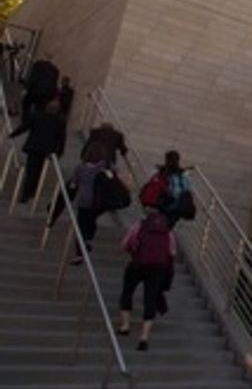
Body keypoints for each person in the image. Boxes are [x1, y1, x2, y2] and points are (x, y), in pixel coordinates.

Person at [117, 206, 176, 351]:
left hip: (138, 264)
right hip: (158, 269)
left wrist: (133, 251)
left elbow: (124, 244)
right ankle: (144, 338)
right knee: (150, 299)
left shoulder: (140, 226)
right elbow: (172, 252)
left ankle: (125, 326)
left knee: (127, 292)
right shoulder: (167, 232)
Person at [9, 97, 66, 202]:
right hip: (46, 149)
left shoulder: (37, 116)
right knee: (38, 170)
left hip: (34, 147)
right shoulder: (59, 121)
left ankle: (26, 192)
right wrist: (59, 151)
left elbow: (24, 126)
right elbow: (61, 137)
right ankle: (32, 191)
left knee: (31, 170)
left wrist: (13, 134)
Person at [68, 145, 110, 265]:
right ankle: (89, 239)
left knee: (81, 225)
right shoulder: (105, 167)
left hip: (84, 200)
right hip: (100, 201)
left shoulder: (80, 168)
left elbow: (73, 184)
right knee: (92, 219)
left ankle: (80, 252)